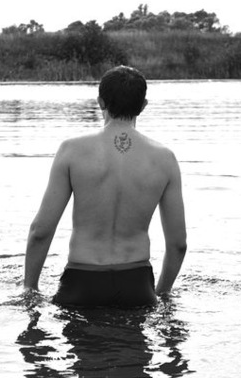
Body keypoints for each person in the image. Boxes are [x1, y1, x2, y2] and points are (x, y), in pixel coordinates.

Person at [23, 66, 187, 307]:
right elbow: (178, 244)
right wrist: (161, 293)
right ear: (143, 106)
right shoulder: (165, 159)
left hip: (81, 282)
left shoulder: (72, 151)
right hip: (137, 285)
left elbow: (41, 231)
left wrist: (30, 289)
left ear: (100, 102)